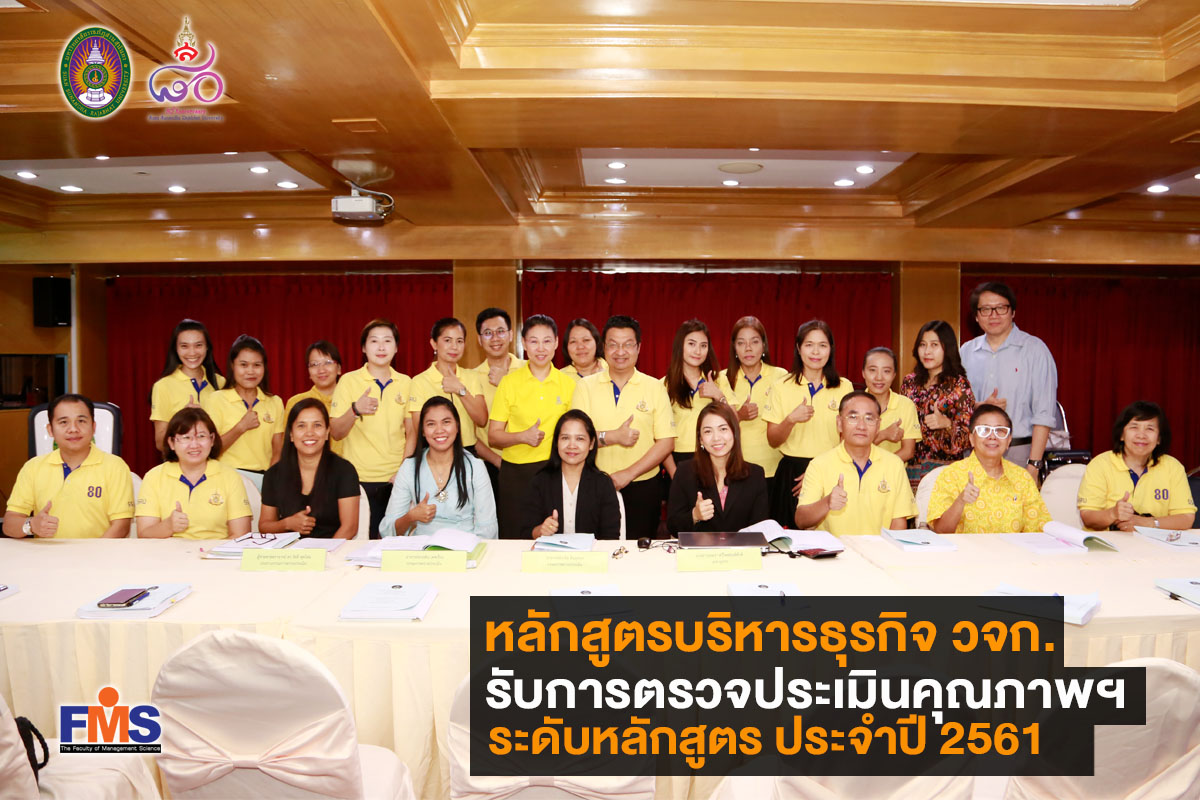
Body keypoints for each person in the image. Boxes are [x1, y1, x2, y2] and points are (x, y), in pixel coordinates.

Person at [571, 315, 675, 539]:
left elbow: (666, 442)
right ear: (604, 347)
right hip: (594, 483)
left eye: (628, 344)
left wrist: (628, 474)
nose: (620, 352)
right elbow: (576, 438)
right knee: (595, 549)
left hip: (644, 485)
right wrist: (612, 437)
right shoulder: (584, 387)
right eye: (613, 344)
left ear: (638, 347)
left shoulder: (655, 387)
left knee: (639, 551)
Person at [960, 282, 1058, 483]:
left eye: (1001, 308)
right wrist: (979, 407)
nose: (993, 315)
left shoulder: (1035, 350)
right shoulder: (966, 352)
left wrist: (1034, 465)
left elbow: (1044, 414)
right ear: (976, 316)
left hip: (1020, 453)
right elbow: (958, 407)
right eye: (985, 309)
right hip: (974, 455)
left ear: (1013, 312)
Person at [488, 315, 576, 538]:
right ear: (524, 344)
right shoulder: (509, 383)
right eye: (534, 341)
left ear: (556, 343)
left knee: (554, 537)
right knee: (515, 538)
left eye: (547, 341)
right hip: (516, 474)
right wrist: (522, 437)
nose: (541, 348)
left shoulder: (569, 384)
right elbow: (493, 436)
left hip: (555, 470)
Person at [4, 394, 134, 539]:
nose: (73, 429)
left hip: (98, 552)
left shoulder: (115, 466)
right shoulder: (33, 467)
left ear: (93, 427)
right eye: (63, 422)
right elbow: (9, 524)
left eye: (81, 421)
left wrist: (94, 553)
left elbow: (121, 526)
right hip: (46, 552)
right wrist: (31, 525)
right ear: (50, 430)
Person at [763, 320, 854, 527]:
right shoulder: (781, 386)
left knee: (830, 537)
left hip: (831, 470)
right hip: (792, 475)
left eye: (822, 345)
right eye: (809, 345)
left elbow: (848, 439)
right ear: (798, 348)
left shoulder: (844, 387)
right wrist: (791, 419)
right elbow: (773, 440)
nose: (816, 352)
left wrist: (817, 471)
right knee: (789, 538)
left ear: (831, 349)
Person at [331, 318, 414, 539]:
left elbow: (412, 433)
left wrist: (403, 471)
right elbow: (336, 432)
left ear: (396, 348)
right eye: (374, 341)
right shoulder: (348, 381)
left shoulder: (406, 382)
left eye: (387, 341)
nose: (381, 347)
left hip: (395, 479)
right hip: (357, 479)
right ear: (363, 348)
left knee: (394, 543)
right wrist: (355, 410)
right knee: (360, 543)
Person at [793, 392, 916, 535]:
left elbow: (899, 522)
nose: (861, 426)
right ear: (839, 423)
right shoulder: (819, 464)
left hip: (879, 548)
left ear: (878, 426)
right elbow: (801, 520)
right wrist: (827, 503)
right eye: (853, 417)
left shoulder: (894, 464)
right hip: (835, 548)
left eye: (869, 419)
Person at [380, 397, 497, 538]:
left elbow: (487, 529)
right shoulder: (409, 467)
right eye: (431, 424)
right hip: (422, 548)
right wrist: (411, 517)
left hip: (464, 547)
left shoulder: (475, 467)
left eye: (446, 422)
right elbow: (387, 531)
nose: (439, 430)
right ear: (423, 431)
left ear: (457, 426)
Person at [927, 404, 1051, 534]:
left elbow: (1038, 530)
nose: (992, 436)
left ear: (1008, 441)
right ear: (971, 439)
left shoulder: (1022, 478)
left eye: (1000, 431)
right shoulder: (952, 475)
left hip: (1010, 548)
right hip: (965, 548)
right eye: (984, 430)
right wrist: (960, 501)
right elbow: (941, 531)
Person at [1078, 402, 1196, 532]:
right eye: (1134, 427)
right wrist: (1112, 514)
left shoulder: (1172, 467)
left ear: (1159, 439)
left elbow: (1186, 518)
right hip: (1106, 543)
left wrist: (1148, 523)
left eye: (1150, 429)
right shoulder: (1100, 464)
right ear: (1121, 435)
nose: (1141, 435)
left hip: (1154, 543)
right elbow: (1088, 516)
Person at [136, 407, 252, 539]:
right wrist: (168, 526)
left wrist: (210, 550)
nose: (194, 445)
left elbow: (240, 535)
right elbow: (144, 535)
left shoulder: (230, 477)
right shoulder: (154, 477)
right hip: (169, 551)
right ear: (171, 443)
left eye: (201, 436)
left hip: (216, 550)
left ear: (212, 440)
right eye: (186, 437)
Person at [259, 399, 360, 539]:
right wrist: (287, 524)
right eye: (301, 426)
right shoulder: (274, 474)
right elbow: (264, 526)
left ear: (327, 432)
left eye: (317, 425)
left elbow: (349, 527)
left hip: (333, 547)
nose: (309, 433)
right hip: (288, 551)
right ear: (291, 434)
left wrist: (326, 551)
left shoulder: (344, 471)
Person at [717, 316, 789, 506]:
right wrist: (739, 415)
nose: (748, 348)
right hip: (733, 467)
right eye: (741, 343)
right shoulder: (723, 378)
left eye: (754, 342)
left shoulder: (781, 376)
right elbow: (714, 424)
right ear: (734, 348)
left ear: (764, 345)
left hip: (773, 467)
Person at [667, 403, 769, 535]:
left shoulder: (755, 474)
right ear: (701, 439)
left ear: (735, 432)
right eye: (708, 431)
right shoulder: (685, 472)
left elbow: (760, 529)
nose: (716, 438)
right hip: (699, 548)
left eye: (723, 429)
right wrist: (694, 515)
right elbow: (672, 526)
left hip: (741, 547)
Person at [520, 410, 622, 539]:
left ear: (591, 444)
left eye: (580, 439)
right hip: (549, 551)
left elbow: (611, 536)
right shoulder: (540, 481)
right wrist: (541, 530)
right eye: (565, 438)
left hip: (592, 551)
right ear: (556, 443)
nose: (572, 445)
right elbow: (525, 532)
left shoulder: (603, 484)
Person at [201, 335, 285, 488]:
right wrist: (241, 427)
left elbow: (278, 450)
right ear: (232, 366)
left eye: (257, 365)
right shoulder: (216, 399)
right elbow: (210, 449)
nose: (250, 371)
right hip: (226, 478)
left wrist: (270, 482)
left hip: (264, 480)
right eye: (244, 365)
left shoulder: (275, 402)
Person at [901, 320, 976, 479]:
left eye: (934, 345)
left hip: (945, 472)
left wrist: (947, 424)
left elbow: (969, 438)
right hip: (910, 469)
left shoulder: (959, 385)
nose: (927, 351)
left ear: (947, 348)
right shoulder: (909, 383)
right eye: (922, 345)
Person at [409, 318, 488, 456]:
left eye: (459, 341)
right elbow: (420, 429)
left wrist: (460, 390)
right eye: (447, 340)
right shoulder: (419, 381)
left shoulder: (472, 377)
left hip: (467, 451)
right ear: (434, 344)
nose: (454, 347)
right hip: (433, 452)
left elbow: (482, 420)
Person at [150, 319, 225, 454]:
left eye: (198, 345)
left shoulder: (221, 383)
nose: (192, 352)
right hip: (181, 465)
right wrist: (182, 419)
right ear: (176, 349)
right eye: (184, 346)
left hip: (217, 464)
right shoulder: (163, 386)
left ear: (207, 347)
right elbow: (160, 443)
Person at [663, 319, 727, 477]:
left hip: (714, 454)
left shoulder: (718, 379)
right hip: (678, 459)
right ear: (680, 346)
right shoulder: (663, 385)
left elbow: (733, 420)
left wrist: (718, 395)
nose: (698, 351)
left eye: (703, 346)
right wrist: (674, 473)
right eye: (691, 344)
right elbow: (659, 437)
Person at [470, 308, 525, 490]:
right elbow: (469, 433)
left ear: (511, 335)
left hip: (530, 459)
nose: (495, 338)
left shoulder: (530, 369)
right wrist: (498, 461)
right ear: (479, 340)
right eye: (488, 333)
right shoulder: (471, 378)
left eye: (500, 331)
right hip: (489, 466)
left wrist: (505, 384)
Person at [284, 340, 344, 456]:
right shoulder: (296, 402)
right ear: (309, 372)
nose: (321, 370)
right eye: (314, 364)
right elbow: (287, 447)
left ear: (339, 369)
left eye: (327, 363)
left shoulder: (353, 401)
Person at [861, 347, 920, 463]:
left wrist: (879, 468)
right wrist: (883, 435)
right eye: (872, 370)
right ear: (863, 373)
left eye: (886, 371)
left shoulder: (906, 405)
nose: (879, 377)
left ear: (894, 375)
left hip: (893, 472)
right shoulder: (854, 405)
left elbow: (908, 451)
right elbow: (852, 449)